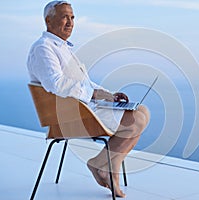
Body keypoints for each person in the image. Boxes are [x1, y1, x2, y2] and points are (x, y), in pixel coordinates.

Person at [27, 1, 150, 198]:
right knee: (137, 120)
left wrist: (109, 95)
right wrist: (95, 96)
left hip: (82, 108)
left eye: (72, 17)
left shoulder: (63, 48)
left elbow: (86, 83)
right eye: (64, 17)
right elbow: (55, 83)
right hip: (68, 116)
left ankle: (106, 163)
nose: (70, 22)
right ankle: (107, 166)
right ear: (48, 20)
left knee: (142, 111)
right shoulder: (43, 48)